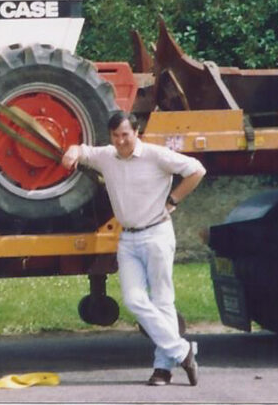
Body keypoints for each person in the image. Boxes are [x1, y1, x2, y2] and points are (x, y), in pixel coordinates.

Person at [62, 111, 206, 386]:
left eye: (125, 135)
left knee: (162, 300)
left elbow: (197, 170)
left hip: (156, 234)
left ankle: (162, 369)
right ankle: (183, 351)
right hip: (127, 238)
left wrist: (173, 200)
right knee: (133, 300)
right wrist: (72, 152)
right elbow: (82, 150)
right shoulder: (107, 156)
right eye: (115, 136)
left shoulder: (156, 155)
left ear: (136, 132)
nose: (120, 141)